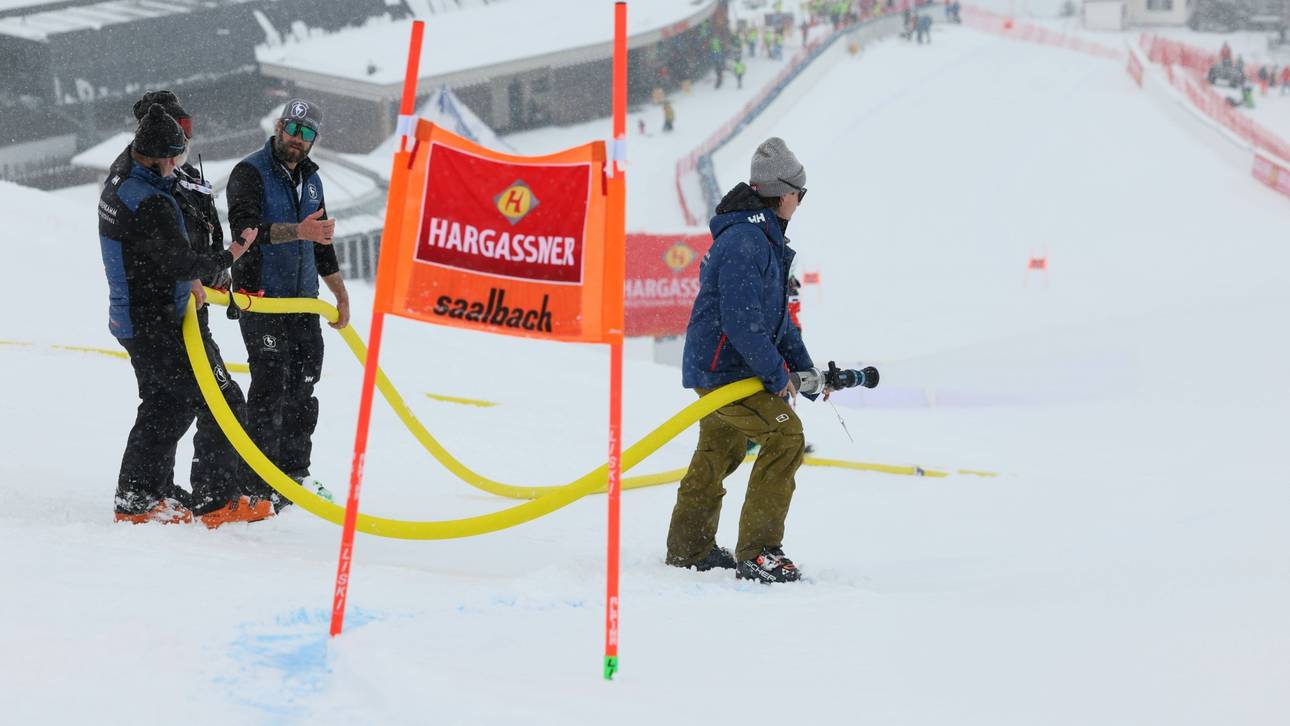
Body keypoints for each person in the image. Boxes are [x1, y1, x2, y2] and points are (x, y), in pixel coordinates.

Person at [100, 103, 267, 526]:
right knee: (222, 400)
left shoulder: (123, 176)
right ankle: (216, 501)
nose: (177, 165)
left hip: (138, 318)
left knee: (166, 403)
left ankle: (139, 497)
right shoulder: (151, 201)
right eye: (174, 157)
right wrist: (233, 253)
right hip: (157, 323)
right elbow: (182, 261)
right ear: (157, 156)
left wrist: (186, 277)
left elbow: (156, 254)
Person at [666, 137, 821, 584]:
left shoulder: (762, 238)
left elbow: (778, 322)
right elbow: (742, 323)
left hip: (728, 368)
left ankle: (689, 548)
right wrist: (776, 376)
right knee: (786, 436)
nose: (800, 202)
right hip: (725, 371)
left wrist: (804, 369)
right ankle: (759, 552)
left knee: (719, 450)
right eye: (800, 193)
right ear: (784, 193)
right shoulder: (745, 242)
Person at [226, 99, 348, 509]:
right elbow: (246, 232)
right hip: (261, 300)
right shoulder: (249, 172)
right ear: (279, 126)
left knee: (303, 386)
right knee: (270, 388)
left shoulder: (311, 179)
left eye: (306, 133)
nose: (297, 139)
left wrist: (340, 293)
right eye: (293, 129)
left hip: (303, 302)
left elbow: (321, 241)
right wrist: (299, 230)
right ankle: (258, 483)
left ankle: (295, 474)